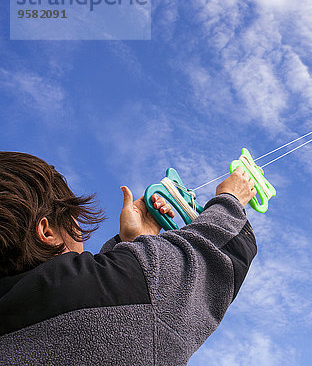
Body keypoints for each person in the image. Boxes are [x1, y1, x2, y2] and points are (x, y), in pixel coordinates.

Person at [0, 151, 258, 365]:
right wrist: (231, 199)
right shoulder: (125, 284)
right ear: (47, 231)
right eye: (72, 218)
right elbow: (214, 254)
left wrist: (130, 246)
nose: (79, 229)